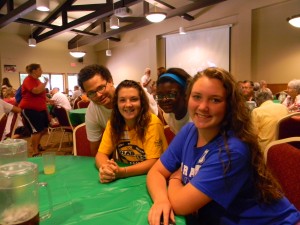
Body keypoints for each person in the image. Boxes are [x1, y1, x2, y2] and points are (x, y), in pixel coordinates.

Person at [147, 67, 300, 225]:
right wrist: (161, 200)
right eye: (197, 97)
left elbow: (180, 205)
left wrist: (174, 177)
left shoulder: (232, 151)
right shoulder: (190, 130)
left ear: (229, 105)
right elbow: (155, 172)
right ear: (188, 98)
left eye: (215, 100)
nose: (202, 107)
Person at [77, 64, 159, 156]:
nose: (98, 95)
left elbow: (159, 127)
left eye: (100, 88)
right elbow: (96, 150)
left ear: (110, 81)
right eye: (91, 93)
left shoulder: (137, 95)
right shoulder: (93, 112)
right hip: (122, 156)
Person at [95, 80, 168, 183]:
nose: (128, 105)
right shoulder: (113, 123)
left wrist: (123, 172)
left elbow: (154, 161)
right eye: (122, 100)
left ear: (142, 102)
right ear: (116, 103)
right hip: (125, 177)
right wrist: (106, 168)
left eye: (134, 99)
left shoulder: (152, 123)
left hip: (151, 177)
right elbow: (101, 154)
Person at [19, 63, 49, 157]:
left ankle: (37, 144)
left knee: (44, 129)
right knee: (36, 131)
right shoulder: (28, 80)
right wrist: (45, 83)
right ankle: (35, 151)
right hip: (30, 109)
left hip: (41, 109)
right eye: (40, 70)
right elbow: (36, 91)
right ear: (34, 71)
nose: (42, 71)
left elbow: (41, 93)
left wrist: (49, 100)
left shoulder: (38, 80)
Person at [155, 68, 192, 134]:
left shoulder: (196, 119)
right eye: (160, 96)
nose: (164, 99)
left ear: (185, 93)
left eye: (171, 94)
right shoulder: (167, 115)